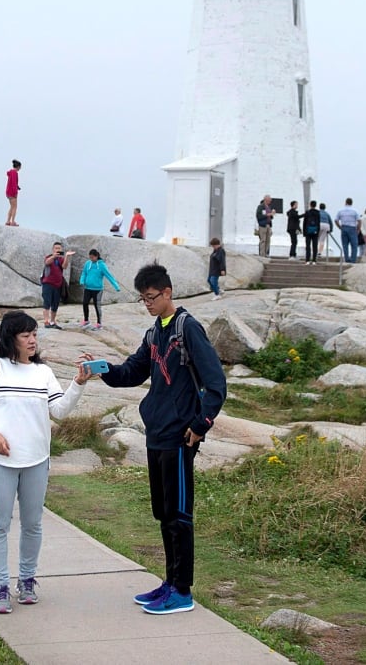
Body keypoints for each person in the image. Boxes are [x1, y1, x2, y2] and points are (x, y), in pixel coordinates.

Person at [78, 263, 226, 616]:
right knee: (163, 513)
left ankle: (183, 591)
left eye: (151, 297)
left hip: (179, 436)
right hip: (156, 433)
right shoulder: (154, 332)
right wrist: (102, 369)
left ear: (168, 292)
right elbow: (131, 371)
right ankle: (170, 583)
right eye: (143, 298)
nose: (147, 303)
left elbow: (216, 384)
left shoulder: (187, 329)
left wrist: (199, 425)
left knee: (179, 514)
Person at [0, 311, 89, 614]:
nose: (32, 340)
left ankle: (28, 580)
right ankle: (0, 587)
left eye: (34, 334)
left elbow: (58, 411)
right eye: (26, 335)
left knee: (32, 525)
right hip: (0, 461)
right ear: (11, 338)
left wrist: (79, 383)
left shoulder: (42, 373)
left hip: (37, 460)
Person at [79, 249, 120, 329]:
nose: (91, 259)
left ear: (96, 256)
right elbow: (84, 273)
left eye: (92, 257)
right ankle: (86, 320)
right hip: (88, 288)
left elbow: (109, 276)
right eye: (90, 257)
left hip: (97, 290)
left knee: (97, 305)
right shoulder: (88, 263)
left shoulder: (102, 265)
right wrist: (82, 280)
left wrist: (116, 286)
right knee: (85, 303)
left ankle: (99, 323)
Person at [40, 242, 74, 329]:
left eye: (59, 248)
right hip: (47, 284)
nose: (58, 250)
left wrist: (66, 256)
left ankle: (52, 321)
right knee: (47, 303)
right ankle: (46, 322)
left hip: (58, 285)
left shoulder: (61, 259)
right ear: (53, 249)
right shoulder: (49, 257)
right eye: (56, 248)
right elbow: (47, 262)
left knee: (55, 304)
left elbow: (64, 266)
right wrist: (54, 256)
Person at [335, 198, 360, 263]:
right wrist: (358, 229)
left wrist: (340, 227)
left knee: (345, 245)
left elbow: (336, 220)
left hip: (344, 227)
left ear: (345, 202)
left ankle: (347, 259)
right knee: (354, 245)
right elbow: (359, 221)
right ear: (352, 203)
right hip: (352, 228)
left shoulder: (340, 211)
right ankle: (353, 259)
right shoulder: (355, 211)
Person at [5, 159, 21, 226]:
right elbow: (14, 183)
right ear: (18, 167)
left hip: (8, 192)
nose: (20, 168)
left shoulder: (11, 173)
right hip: (12, 192)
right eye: (20, 167)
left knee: (12, 207)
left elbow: (12, 182)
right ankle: (12, 222)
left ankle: (8, 221)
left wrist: (17, 187)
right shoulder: (15, 173)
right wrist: (15, 193)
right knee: (15, 207)